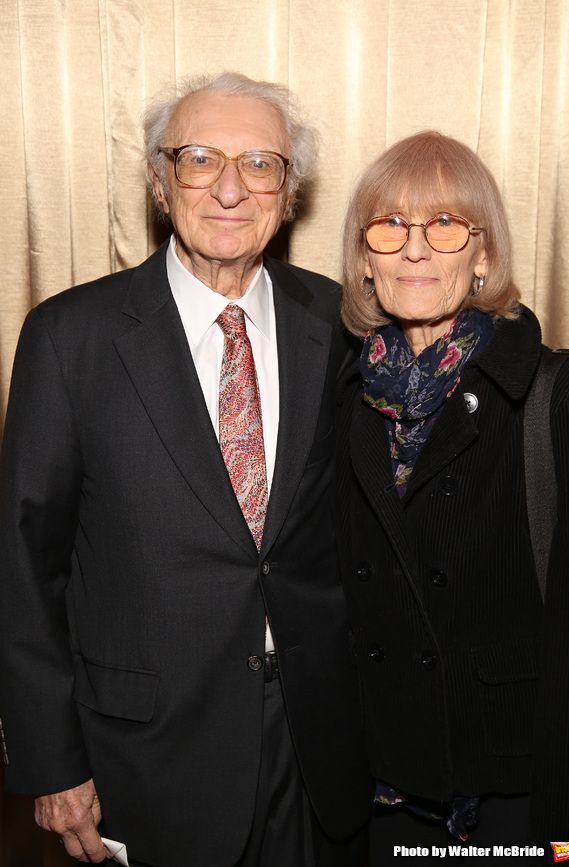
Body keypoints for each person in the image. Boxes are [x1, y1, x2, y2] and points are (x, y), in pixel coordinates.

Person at [0, 72, 371, 867]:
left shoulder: (340, 323)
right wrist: (49, 760)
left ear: (289, 192)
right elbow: (23, 566)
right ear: (159, 180)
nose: (231, 189)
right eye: (200, 158)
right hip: (144, 756)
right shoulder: (71, 338)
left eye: (260, 164)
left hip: (315, 750)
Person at [337, 130, 569, 862]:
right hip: (381, 793)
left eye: (446, 224)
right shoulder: (346, 399)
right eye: (390, 226)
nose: (416, 250)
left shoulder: (562, 396)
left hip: (515, 797)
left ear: (483, 255)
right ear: (365, 261)